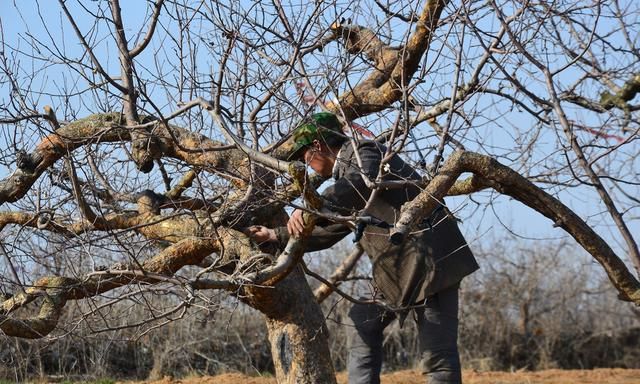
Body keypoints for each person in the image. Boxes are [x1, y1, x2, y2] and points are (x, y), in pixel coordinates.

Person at [249, 112, 479, 384]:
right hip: (396, 271)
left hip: (432, 266)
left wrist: (311, 205)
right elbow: (329, 231)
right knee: (363, 320)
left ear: (318, 146)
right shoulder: (345, 181)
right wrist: (276, 236)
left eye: (304, 156)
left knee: (438, 358)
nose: (305, 165)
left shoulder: (363, 153)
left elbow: (358, 184)